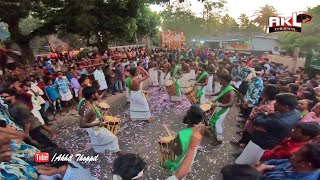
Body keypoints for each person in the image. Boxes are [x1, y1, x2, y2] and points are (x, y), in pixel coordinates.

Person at [236, 93, 300, 165]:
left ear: (286, 106)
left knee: (245, 163)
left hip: (261, 142)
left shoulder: (279, 121)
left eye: (277, 103)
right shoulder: (296, 113)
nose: (274, 104)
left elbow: (257, 120)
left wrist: (265, 114)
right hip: (270, 140)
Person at [231, 84, 278, 148]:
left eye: (264, 90)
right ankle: (240, 142)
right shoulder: (266, 100)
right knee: (246, 132)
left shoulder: (269, 106)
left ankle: (242, 145)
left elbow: (258, 114)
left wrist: (253, 114)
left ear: (268, 93)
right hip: (251, 121)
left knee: (248, 135)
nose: (262, 91)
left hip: (255, 124)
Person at [78, 86, 121, 154]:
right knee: (113, 139)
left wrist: (98, 114)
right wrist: (98, 123)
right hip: (94, 127)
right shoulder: (87, 109)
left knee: (97, 140)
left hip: (94, 125)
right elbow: (82, 124)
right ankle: (119, 153)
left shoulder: (85, 101)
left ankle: (97, 151)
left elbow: (83, 113)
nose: (97, 95)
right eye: (96, 93)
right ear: (92, 96)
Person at [163, 105, 204, 173]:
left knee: (179, 172)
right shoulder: (200, 128)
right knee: (189, 164)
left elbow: (178, 152)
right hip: (191, 154)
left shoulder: (182, 135)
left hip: (182, 159)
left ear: (188, 119)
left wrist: (171, 145)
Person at [209, 74, 236, 145]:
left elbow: (230, 104)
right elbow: (219, 93)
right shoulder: (223, 87)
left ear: (226, 81)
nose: (220, 81)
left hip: (223, 109)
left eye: (221, 80)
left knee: (218, 124)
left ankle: (219, 140)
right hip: (219, 106)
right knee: (214, 119)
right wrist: (212, 94)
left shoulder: (231, 91)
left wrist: (217, 105)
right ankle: (215, 132)